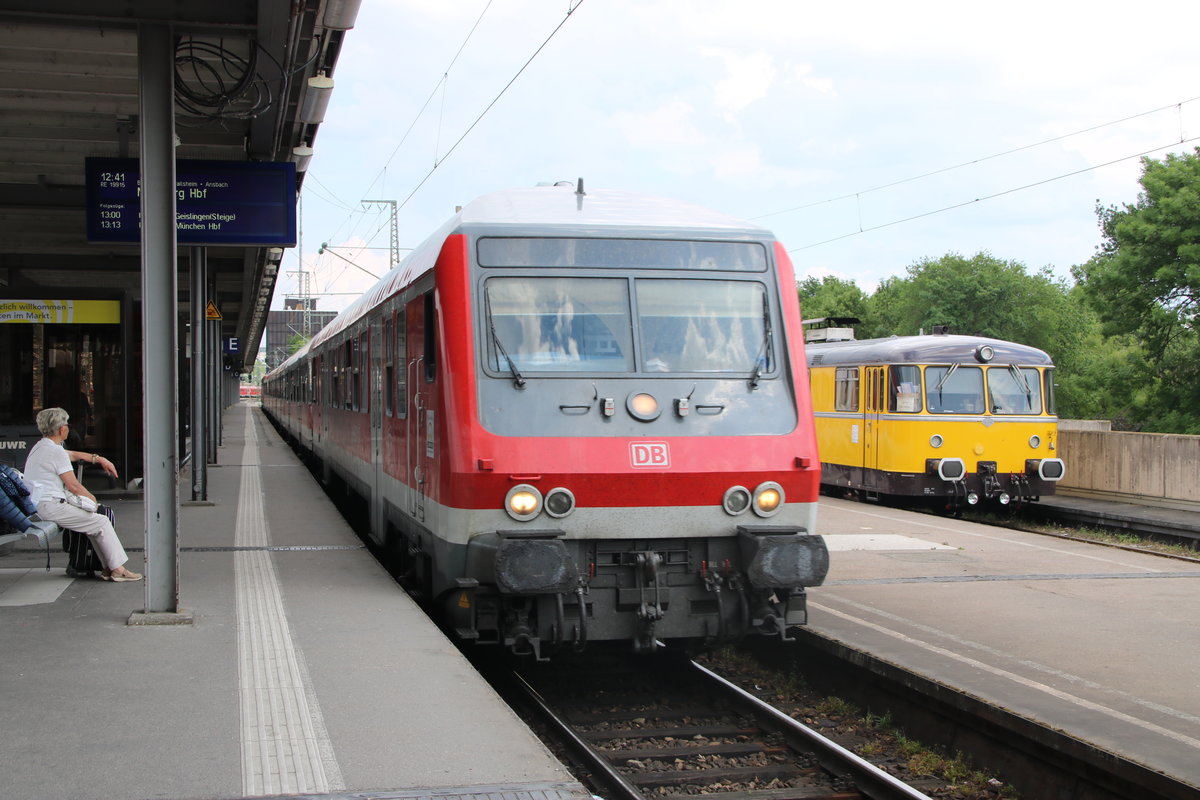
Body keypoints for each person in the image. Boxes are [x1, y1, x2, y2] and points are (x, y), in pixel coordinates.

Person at [24, 407, 141, 582]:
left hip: (41, 504)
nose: (68, 428)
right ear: (62, 429)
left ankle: (110, 567)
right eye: (67, 425)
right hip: (50, 506)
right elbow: (74, 485)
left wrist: (98, 458)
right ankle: (117, 569)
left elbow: (70, 454)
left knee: (95, 523)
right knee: (101, 521)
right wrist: (92, 500)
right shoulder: (55, 451)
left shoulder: (41, 447)